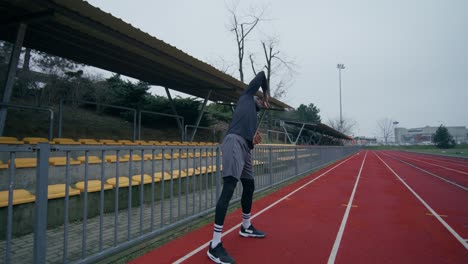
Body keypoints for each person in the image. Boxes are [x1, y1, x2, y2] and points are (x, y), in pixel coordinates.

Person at [207, 71, 270, 264]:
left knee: (249, 186)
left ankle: (246, 226)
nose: (260, 101)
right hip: (234, 142)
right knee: (229, 189)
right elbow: (261, 75)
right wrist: (266, 93)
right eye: (258, 99)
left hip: (245, 147)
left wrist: (253, 139)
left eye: (261, 101)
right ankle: (215, 245)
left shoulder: (252, 116)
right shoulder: (246, 97)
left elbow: (250, 136)